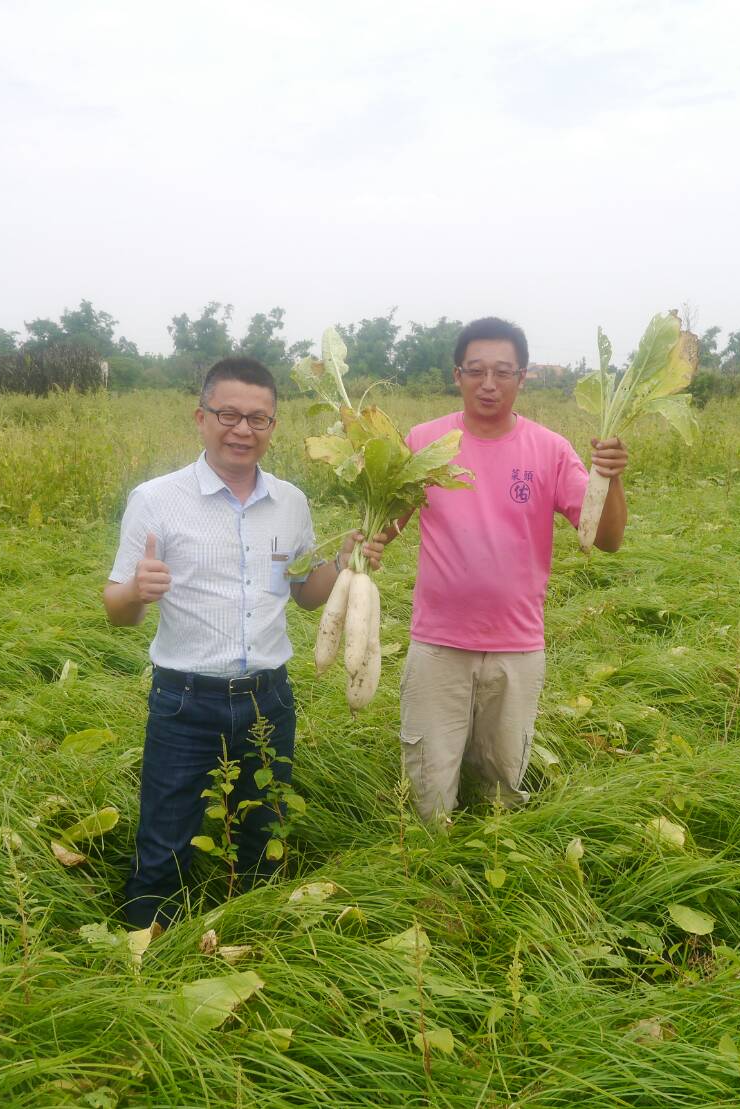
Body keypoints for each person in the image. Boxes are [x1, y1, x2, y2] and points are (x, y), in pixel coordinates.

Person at [102, 356, 364, 928]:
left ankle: (255, 934)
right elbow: (117, 611)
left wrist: (342, 561)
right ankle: (141, 947)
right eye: (228, 414)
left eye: (258, 419)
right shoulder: (155, 499)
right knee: (164, 840)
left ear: (273, 426)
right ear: (201, 417)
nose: (242, 430)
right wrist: (137, 593)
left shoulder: (291, 503)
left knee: (264, 835)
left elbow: (305, 594)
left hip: (268, 699)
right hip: (183, 699)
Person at [379, 317, 629, 825]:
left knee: (501, 790)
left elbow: (607, 540)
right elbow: (389, 520)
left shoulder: (550, 449)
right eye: (476, 371)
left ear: (522, 377)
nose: (488, 384)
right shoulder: (426, 441)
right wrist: (368, 543)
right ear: (458, 375)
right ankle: (428, 881)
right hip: (438, 646)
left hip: (517, 647)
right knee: (428, 792)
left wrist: (612, 478)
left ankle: (493, 883)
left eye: (502, 372)